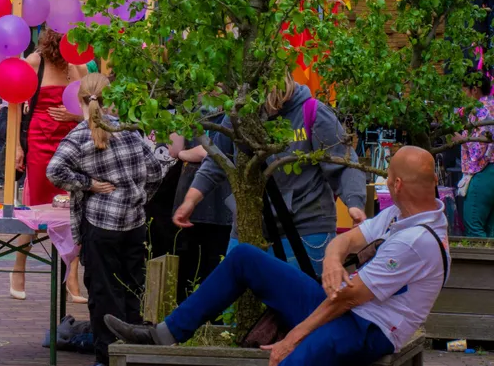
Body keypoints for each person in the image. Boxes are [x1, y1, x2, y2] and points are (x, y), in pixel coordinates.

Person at [107, 146, 451, 366]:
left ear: (397, 186)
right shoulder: (400, 215)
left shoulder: (415, 241)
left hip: (369, 330)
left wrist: (291, 338)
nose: (386, 181)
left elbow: (345, 300)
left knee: (288, 361)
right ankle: (165, 334)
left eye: (388, 176)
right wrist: (331, 262)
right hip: (345, 306)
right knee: (244, 258)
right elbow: (343, 244)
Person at [46, 72, 183, 366]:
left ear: (82, 100)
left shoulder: (79, 135)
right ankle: (132, 354)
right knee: (133, 290)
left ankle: (106, 358)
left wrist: (88, 183)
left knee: (103, 292)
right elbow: (158, 168)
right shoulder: (130, 132)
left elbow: (54, 170)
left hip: (99, 223)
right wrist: (140, 194)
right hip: (133, 222)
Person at [175, 77, 367, 270]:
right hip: (248, 225)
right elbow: (217, 161)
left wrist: (354, 203)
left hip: (306, 228)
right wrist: (191, 199)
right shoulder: (238, 114)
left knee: (299, 297)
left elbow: (344, 163)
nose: (272, 109)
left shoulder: (313, 112)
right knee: (243, 296)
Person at [11, 29, 86, 300]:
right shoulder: (34, 62)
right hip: (40, 138)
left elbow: (92, 105)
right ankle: (18, 268)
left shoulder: (78, 65)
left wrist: (75, 113)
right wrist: (17, 146)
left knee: (74, 206)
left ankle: (72, 277)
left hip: (71, 141)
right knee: (37, 206)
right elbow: (15, 102)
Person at [171, 129, 234, 301]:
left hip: (221, 205)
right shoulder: (191, 112)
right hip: (190, 204)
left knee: (216, 265)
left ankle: (214, 322)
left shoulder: (229, 117)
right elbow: (173, 151)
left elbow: (208, 152)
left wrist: (184, 154)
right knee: (188, 268)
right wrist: (183, 153)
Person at [460, 79, 494, 237]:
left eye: (464, 90)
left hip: (484, 171)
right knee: (491, 229)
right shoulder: (492, 104)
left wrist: (458, 138)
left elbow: (477, 151)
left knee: (474, 228)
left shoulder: (479, 109)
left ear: (474, 90)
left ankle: (481, 263)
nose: (463, 95)